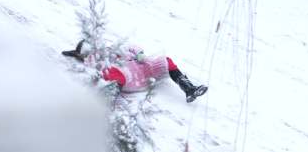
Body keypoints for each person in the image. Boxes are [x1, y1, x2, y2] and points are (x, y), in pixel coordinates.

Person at [62, 40, 208, 103]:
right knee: (116, 74)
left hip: (143, 66)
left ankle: (189, 88)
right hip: (132, 78)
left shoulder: (111, 48)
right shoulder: (96, 64)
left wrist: (139, 53)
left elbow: (130, 46)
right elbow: (109, 76)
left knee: (166, 60)